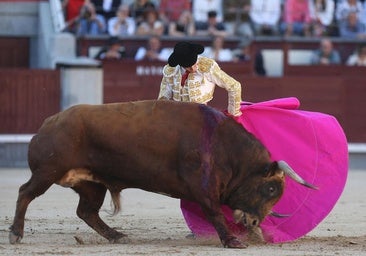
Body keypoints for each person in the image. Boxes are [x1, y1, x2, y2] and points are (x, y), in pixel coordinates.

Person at [158, 41, 242, 117]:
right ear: (180, 64)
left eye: (194, 63)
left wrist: (233, 114)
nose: (194, 68)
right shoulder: (171, 70)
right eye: (189, 67)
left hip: (202, 116)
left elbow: (234, 86)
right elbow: (163, 100)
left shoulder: (207, 66)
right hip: (178, 116)